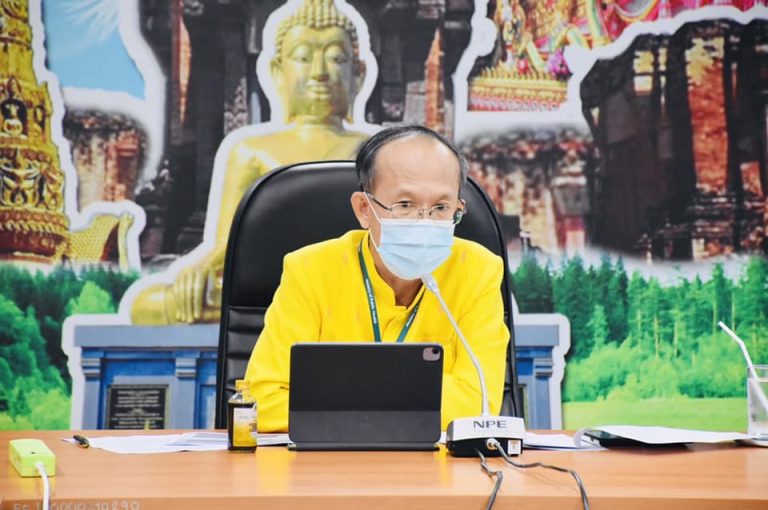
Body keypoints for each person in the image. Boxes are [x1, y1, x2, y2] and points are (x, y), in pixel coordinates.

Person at [245, 124, 510, 432]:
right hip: (324, 469)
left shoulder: (478, 270)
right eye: (405, 205)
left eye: (440, 207)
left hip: (433, 470)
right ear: (364, 209)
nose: (423, 222)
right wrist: (414, 397)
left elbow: (478, 405)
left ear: (458, 209)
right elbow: (262, 401)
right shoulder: (309, 270)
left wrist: (335, 393)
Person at [130, 0, 371, 324]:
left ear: (358, 74)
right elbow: (228, 244)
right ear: (276, 72)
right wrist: (200, 268)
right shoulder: (250, 150)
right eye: (302, 57)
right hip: (273, 286)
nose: (319, 73)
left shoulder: (375, 150)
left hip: (348, 286)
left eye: (336, 58)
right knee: (150, 304)